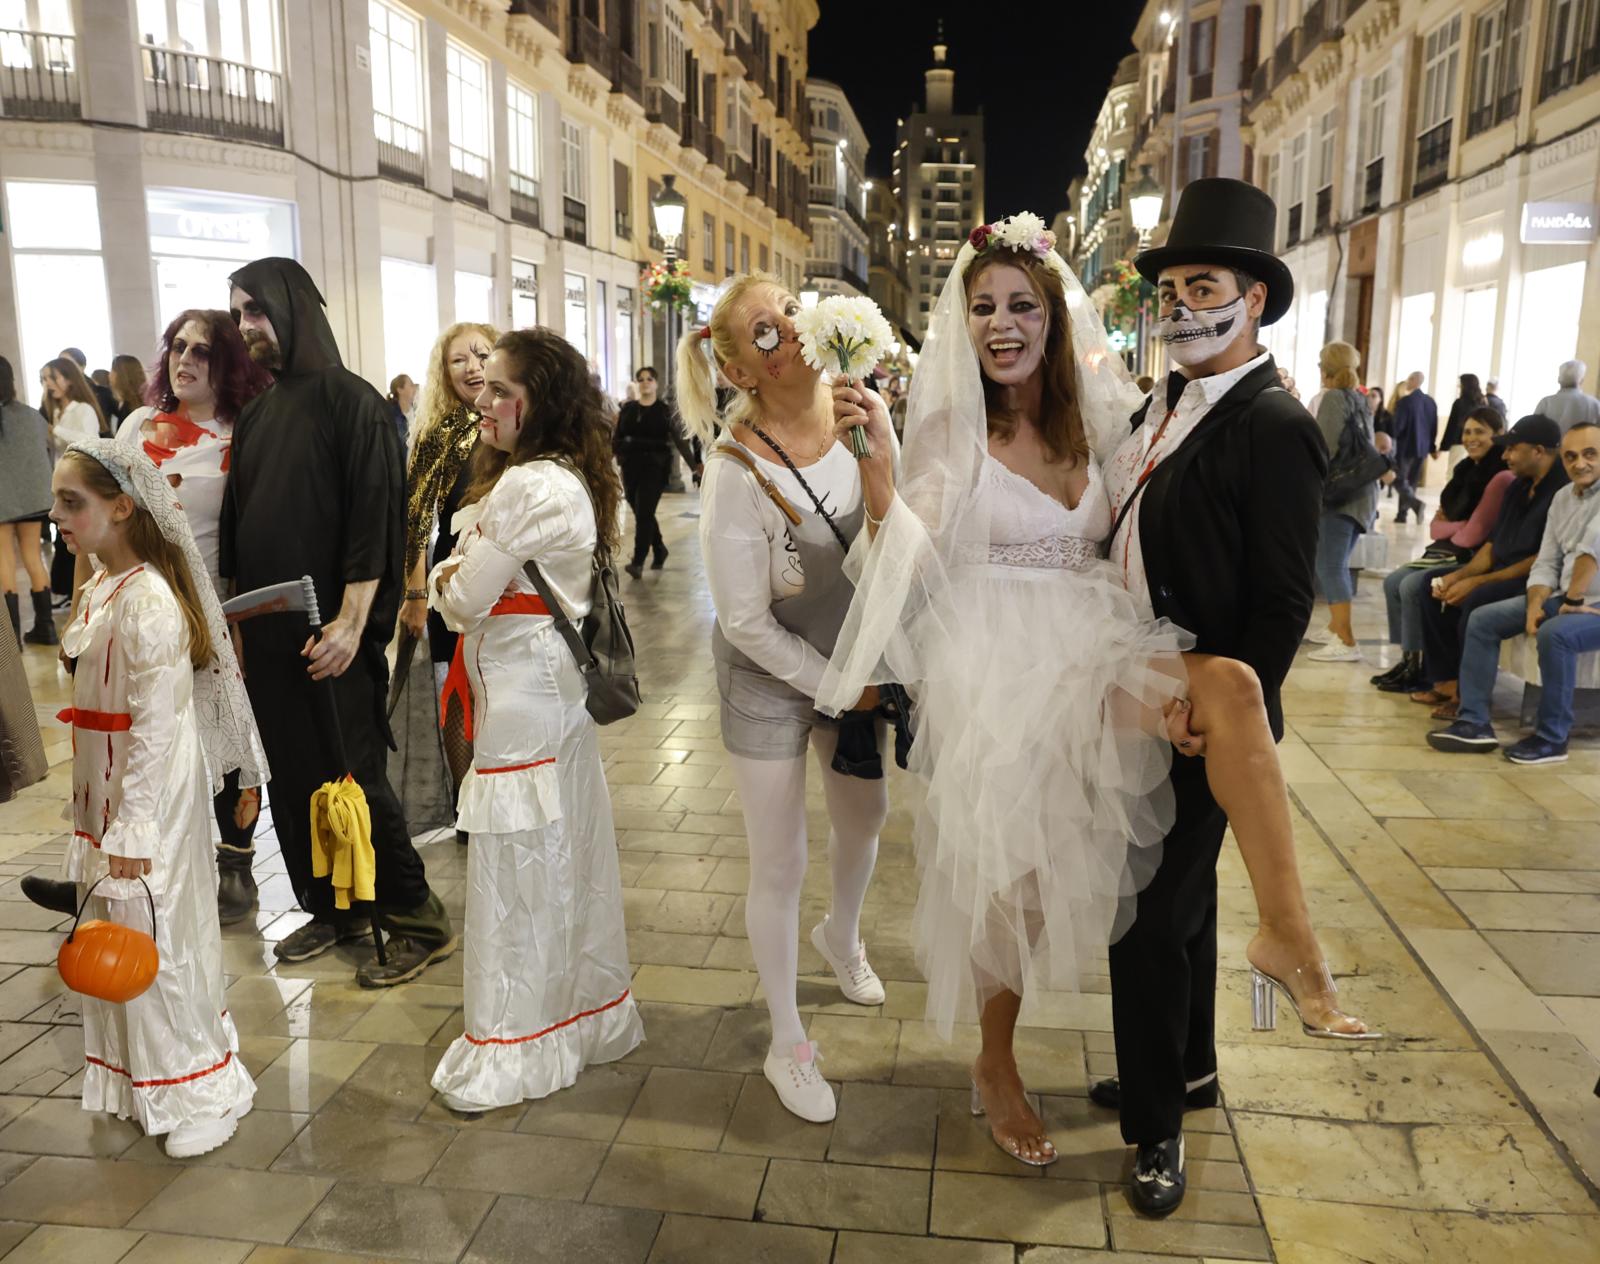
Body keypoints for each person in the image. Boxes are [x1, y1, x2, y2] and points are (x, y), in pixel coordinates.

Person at [819, 195, 1371, 1212]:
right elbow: (907, 559)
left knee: (1226, 703)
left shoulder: (1111, 414)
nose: (1001, 324)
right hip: (1001, 670)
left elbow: (1159, 521)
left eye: (1020, 303)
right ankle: (996, 1062)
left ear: (1051, 314)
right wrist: (884, 477)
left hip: (1101, 647)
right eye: (982, 306)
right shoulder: (951, 429)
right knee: (1013, 881)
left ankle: (1279, 942)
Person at [1102, 182, 1365, 1213]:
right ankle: (1193, 1068)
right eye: (1168, 286)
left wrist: (1220, 711)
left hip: (1205, 715)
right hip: (1144, 692)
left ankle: (1153, 1126)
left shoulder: (1270, 423)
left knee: (1143, 912)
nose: (1177, 303)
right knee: (1184, 902)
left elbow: (1283, 599)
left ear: (1251, 298)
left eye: (1200, 283)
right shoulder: (1159, 404)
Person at [677, 273, 891, 1126]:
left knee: (865, 819)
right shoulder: (735, 474)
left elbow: (893, 536)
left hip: (854, 662)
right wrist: (835, 684)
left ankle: (841, 934)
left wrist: (879, 451)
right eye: (767, 331)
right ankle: (787, 1042)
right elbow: (745, 622)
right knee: (781, 859)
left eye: (792, 312)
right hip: (769, 676)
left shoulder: (861, 418)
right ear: (741, 372)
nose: (793, 332)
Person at [222, 257, 455, 987]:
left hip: (333, 633)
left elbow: (374, 520)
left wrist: (355, 623)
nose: (244, 328)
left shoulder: (351, 402)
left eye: (253, 312)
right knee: (295, 779)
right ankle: (333, 908)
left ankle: (417, 916)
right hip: (268, 635)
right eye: (236, 317)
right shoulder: (259, 412)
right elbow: (236, 532)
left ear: (293, 308)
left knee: (353, 775)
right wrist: (236, 631)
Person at [428, 328, 643, 1112]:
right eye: (482, 386)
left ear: (537, 401)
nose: (482, 401)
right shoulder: (555, 477)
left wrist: (457, 568)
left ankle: (520, 1042)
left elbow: (459, 599)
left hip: (523, 698)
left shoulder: (530, 487)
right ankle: (569, 1020)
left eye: (500, 389)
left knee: (522, 870)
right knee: (558, 862)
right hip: (538, 694)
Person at [49, 438, 262, 1158]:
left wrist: (135, 826)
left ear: (122, 507)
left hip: (145, 798)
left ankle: (202, 1085)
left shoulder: (150, 602)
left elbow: (157, 727)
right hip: (105, 795)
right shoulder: (104, 586)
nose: (56, 516)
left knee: (161, 936)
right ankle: (148, 1076)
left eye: (71, 503)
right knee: (124, 934)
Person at [107, 311, 273, 924]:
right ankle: (126, 857)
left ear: (227, 363)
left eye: (203, 351)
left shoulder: (245, 432)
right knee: (137, 728)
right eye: (179, 347)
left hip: (211, 607)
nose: (186, 360)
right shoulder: (136, 426)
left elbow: (254, 529)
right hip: (136, 600)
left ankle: (236, 864)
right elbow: (102, 513)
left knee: (225, 732)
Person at [1428, 422, 1600, 763]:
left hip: (1589, 603)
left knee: (1556, 635)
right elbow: (1547, 559)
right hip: (1564, 597)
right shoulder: (1564, 497)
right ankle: (1474, 721)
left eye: (1590, 454)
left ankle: (1553, 738)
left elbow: (1589, 551)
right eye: (1570, 456)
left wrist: (1572, 601)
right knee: (1482, 619)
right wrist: (1536, 602)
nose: (1579, 463)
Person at [1410, 415, 1569, 718]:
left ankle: (1467, 697)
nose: (1505, 455)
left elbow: (1542, 561)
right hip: (1504, 569)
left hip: (1535, 578)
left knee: (1476, 600)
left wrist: (1478, 583)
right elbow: (1492, 547)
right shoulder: (1517, 486)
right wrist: (1458, 575)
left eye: (1512, 449)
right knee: (1430, 584)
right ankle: (1446, 681)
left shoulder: (1561, 492)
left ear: (1538, 451)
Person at [1373, 407, 1514, 694]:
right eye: (1468, 432)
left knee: (1413, 585)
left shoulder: (1499, 476)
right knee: (1392, 582)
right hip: (1449, 549)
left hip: (1475, 556)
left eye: (1480, 432)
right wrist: (1455, 526)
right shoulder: (1465, 470)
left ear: (1498, 435)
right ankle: (1411, 659)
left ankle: (1425, 669)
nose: (1472, 438)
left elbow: (1473, 533)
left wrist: (1452, 526)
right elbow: (1437, 527)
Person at [1304, 342, 1378, 663]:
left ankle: (1346, 641)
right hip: (1362, 493)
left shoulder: (1334, 398)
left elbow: (1326, 448)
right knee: (1336, 563)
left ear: (1325, 368)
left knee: (1329, 565)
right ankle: (1336, 627)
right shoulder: (1359, 398)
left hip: (1341, 495)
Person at [613, 365, 702, 578]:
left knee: (644, 513)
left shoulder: (664, 411)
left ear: (656, 383)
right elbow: (616, 438)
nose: (645, 382)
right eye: (641, 379)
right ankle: (660, 550)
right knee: (643, 513)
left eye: (649, 379)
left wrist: (695, 467)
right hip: (630, 468)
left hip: (655, 469)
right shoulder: (628, 409)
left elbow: (680, 441)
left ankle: (638, 561)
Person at [40, 356, 109, 607]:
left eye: (52, 377)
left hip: (81, 487)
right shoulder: (57, 411)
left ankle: (83, 596)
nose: (48, 384)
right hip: (61, 484)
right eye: (44, 379)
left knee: (81, 544)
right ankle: (73, 595)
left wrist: (54, 431)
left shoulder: (83, 409)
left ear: (69, 379)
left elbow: (88, 441)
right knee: (67, 543)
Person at [0, 357, 56, 648]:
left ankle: (13, 639)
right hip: (33, 497)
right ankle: (46, 628)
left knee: (5, 560)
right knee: (34, 557)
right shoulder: (31, 415)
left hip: (3, 501)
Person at [1390, 371, 1437, 524]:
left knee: (1400, 479)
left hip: (1405, 447)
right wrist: (1431, 447)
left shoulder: (1405, 402)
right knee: (1412, 481)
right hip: (1422, 448)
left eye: (1410, 378)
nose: (1407, 381)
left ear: (1416, 381)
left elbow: (1398, 427)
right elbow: (1433, 427)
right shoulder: (1430, 402)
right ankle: (1407, 511)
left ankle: (1407, 511)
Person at [1534, 359, 1600, 435]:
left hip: (1551, 447)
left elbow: (1534, 431)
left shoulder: (1545, 403)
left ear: (1559, 380)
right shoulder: (1595, 405)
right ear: (1581, 380)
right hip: (1583, 446)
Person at [60, 346, 119, 425]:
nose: (63, 368)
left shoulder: (102, 392)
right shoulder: (57, 393)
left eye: (68, 363)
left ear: (82, 366)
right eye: (60, 363)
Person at [1441, 374, 1487, 469]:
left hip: (1460, 442)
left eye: (1460, 384)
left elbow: (1452, 426)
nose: (1458, 387)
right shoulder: (1483, 402)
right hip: (1478, 443)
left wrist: (1444, 446)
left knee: (1454, 471)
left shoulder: (1459, 403)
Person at [109, 355, 149, 426]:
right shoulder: (139, 403)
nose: (109, 375)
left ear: (120, 375)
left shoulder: (128, 409)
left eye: (112, 370)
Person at [386, 374, 417, 448]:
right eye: (411, 385)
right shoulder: (390, 415)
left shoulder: (418, 412)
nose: (414, 388)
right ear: (400, 390)